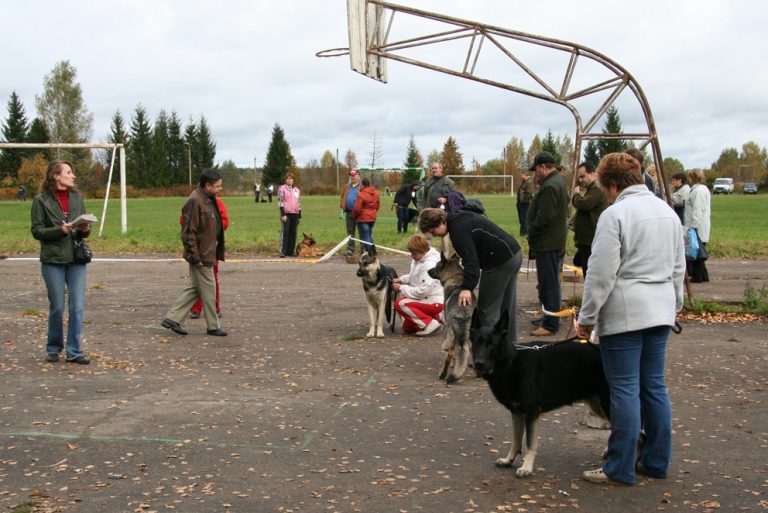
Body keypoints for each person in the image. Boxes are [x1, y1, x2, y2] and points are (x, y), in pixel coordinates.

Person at [576, 152, 685, 486]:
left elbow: (601, 272)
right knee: (653, 386)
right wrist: (674, 306)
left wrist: (587, 316)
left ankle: (619, 466)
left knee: (623, 388)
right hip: (660, 309)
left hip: (627, 312)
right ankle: (655, 460)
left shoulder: (615, 214)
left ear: (610, 185)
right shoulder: (667, 213)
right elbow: (678, 268)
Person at [419, 207, 523, 344]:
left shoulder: (458, 232)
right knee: (506, 307)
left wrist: (467, 287)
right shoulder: (460, 217)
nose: (434, 235)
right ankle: (510, 348)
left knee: (487, 311)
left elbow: (470, 262)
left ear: (441, 222)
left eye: (433, 231)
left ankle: (489, 358)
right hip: (514, 253)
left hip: (499, 262)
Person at [31, 160, 92, 364]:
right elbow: (37, 231)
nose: (73, 175)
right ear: (56, 176)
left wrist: (84, 230)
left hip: (76, 258)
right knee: (57, 306)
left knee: (77, 306)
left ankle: (74, 350)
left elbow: (82, 230)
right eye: (68, 172)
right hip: (53, 259)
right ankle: (54, 347)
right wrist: (60, 230)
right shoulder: (41, 200)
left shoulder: (77, 197)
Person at [161, 168, 227, 337]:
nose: (220, 189)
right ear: (207, 185)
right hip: (201, 255)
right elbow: (188, 232)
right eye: (218, 186)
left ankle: (173, 318)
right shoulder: (194, 201)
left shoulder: (208, 199)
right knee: (209, 288)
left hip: (207, 252)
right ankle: (213, 326)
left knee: (196, 288)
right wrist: (195, 256)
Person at [526, 151, 568, 336]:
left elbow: (546, 217)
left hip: (547, 243)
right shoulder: (556, 181)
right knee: (548, 283)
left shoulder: (550, 185)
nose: (536, 174)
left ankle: (551, 323)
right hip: (550, 241)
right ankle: (547, 316)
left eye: (536, 169)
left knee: (549, 284)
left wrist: (532, 230)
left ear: (543, 167)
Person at [181, 196, 229, 319]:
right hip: (196, 246)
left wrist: (211, 229)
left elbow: (224, 222)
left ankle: (214, 307)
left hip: (210, 246)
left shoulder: (216, 202)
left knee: (212, 277)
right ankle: (196, 308)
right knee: (197, 278)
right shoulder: (193, 202)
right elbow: (184, 220)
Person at [392, 234, 444, 335]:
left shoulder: (429, 264)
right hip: (427, 299)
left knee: (400, 303)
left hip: (433, 300)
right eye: (411, 253)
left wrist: (401, 288)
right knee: (407, 328)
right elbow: (415, 276)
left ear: (423, 251)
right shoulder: (420, 259)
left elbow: (422, 291)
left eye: (414, 254)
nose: (411, 256)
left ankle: (430, 323)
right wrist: (401, 279)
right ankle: (436, 317)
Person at [571, 161, 608, 277]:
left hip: (590, 239)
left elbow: (584, 205)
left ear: (593, 174)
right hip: (587, 238)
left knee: (590, 274)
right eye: (579, 177)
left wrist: (576, 195)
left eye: (583, 176)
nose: (581, 180)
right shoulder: (592, 190)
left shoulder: (596, 189)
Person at [684, 168, 711, 283]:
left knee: (696, 253)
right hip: (700, 224)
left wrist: (693, 227)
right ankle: (703, 275)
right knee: (699, 251)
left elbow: (697, 209)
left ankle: (698, 276)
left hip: (697, 225)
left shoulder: (698, 191)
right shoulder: (701, 189)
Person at [351, 177, 380, 254]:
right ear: (370, 183)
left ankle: (371, 253)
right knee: (369, 235)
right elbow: (377, 206)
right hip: (372, 217)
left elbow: (357, 208)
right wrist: (373, 212)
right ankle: (373, 252)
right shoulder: (376, 193)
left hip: (362, 218)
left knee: (365, 237)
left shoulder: (361, 194)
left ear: (362, 184)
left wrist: (353, 215)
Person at [278, 172, 301, 258]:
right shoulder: (282, 189)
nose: (289, 180)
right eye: (288, 178)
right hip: (286, 214)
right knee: (285, 232)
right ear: (285, 180)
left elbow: (299, 203)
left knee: (293, 233)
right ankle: (283, 251)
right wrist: (283, 214)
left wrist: (299, 216)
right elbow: (280, 201)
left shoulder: (297, 190)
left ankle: (290, 251)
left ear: (293, 180)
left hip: (295, 214)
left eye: (291, 178)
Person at [339, 170, 361, 255]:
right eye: (351, 176)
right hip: (348, 212)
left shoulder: (362, 187)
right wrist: (342, 204)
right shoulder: (347, 186)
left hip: (359, 214)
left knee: (361, 232)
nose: (352, 177)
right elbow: (342, 196)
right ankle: (350, 250)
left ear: (358, 176)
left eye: (354, 175)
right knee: (350, 232)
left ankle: (362, 250)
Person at [516, 170, 533, 236]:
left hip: (525, 204)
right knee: (521, 219)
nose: (520, 177)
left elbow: (529, 193)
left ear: (525, 174)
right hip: (521, 203)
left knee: (524, 219)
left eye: (521, 175)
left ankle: (525, 233)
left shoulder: (529, 182)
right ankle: (522, 233)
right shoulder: (524, 182)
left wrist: (523, 201)